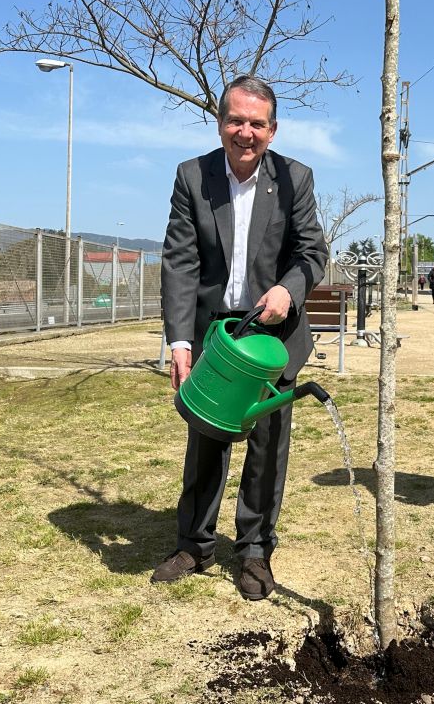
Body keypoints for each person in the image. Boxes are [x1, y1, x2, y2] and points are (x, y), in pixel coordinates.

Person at [153, 75, 328, 599]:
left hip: (274, 338)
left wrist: (287, 291)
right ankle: (194, 543)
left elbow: (312, 254)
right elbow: (180, 263)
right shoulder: (192, 176)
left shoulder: (295, 179)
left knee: (267, 448)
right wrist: (180, 343)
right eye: (236, 120)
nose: (245, 132)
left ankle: (254, 551)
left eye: (257, 123)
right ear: (220, 121)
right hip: (216, 336)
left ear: (272, 130)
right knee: (205, 442)